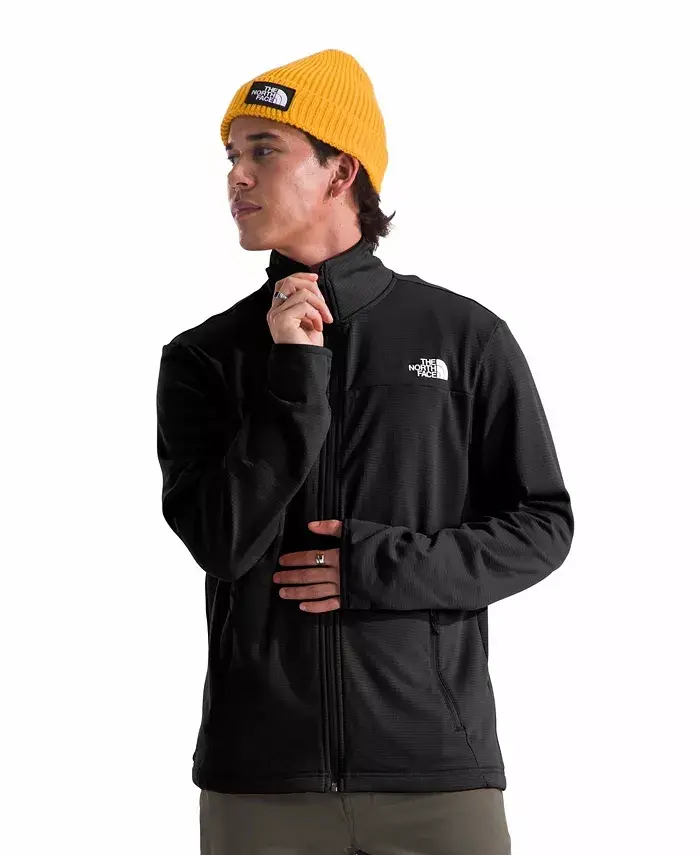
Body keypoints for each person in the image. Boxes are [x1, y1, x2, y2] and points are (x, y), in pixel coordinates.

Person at [156, 48, 574, 855]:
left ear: (341, 170)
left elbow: (541, 524)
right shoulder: (204, 356)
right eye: (232, 155)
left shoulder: (463, 336)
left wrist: (378, 567)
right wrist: (294, 372)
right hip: (260, 783)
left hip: (437, 777)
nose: (236, 176)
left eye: (263, 151)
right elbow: (221, 539)